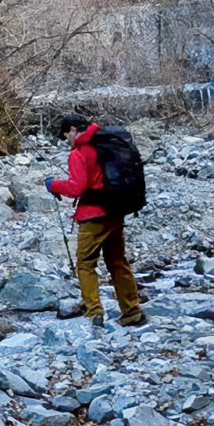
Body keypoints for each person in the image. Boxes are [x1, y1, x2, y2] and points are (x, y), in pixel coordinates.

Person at [45, 113, 147, 328]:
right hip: (116, 211)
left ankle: (93, 312)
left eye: (66, 136)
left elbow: (76, 188)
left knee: (85, 263)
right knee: (117, 262)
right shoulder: (106, 144)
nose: (67, 141)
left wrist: (52, 184)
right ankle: (132, 311)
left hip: (93, 216)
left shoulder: (80, 152)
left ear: (72, 129)